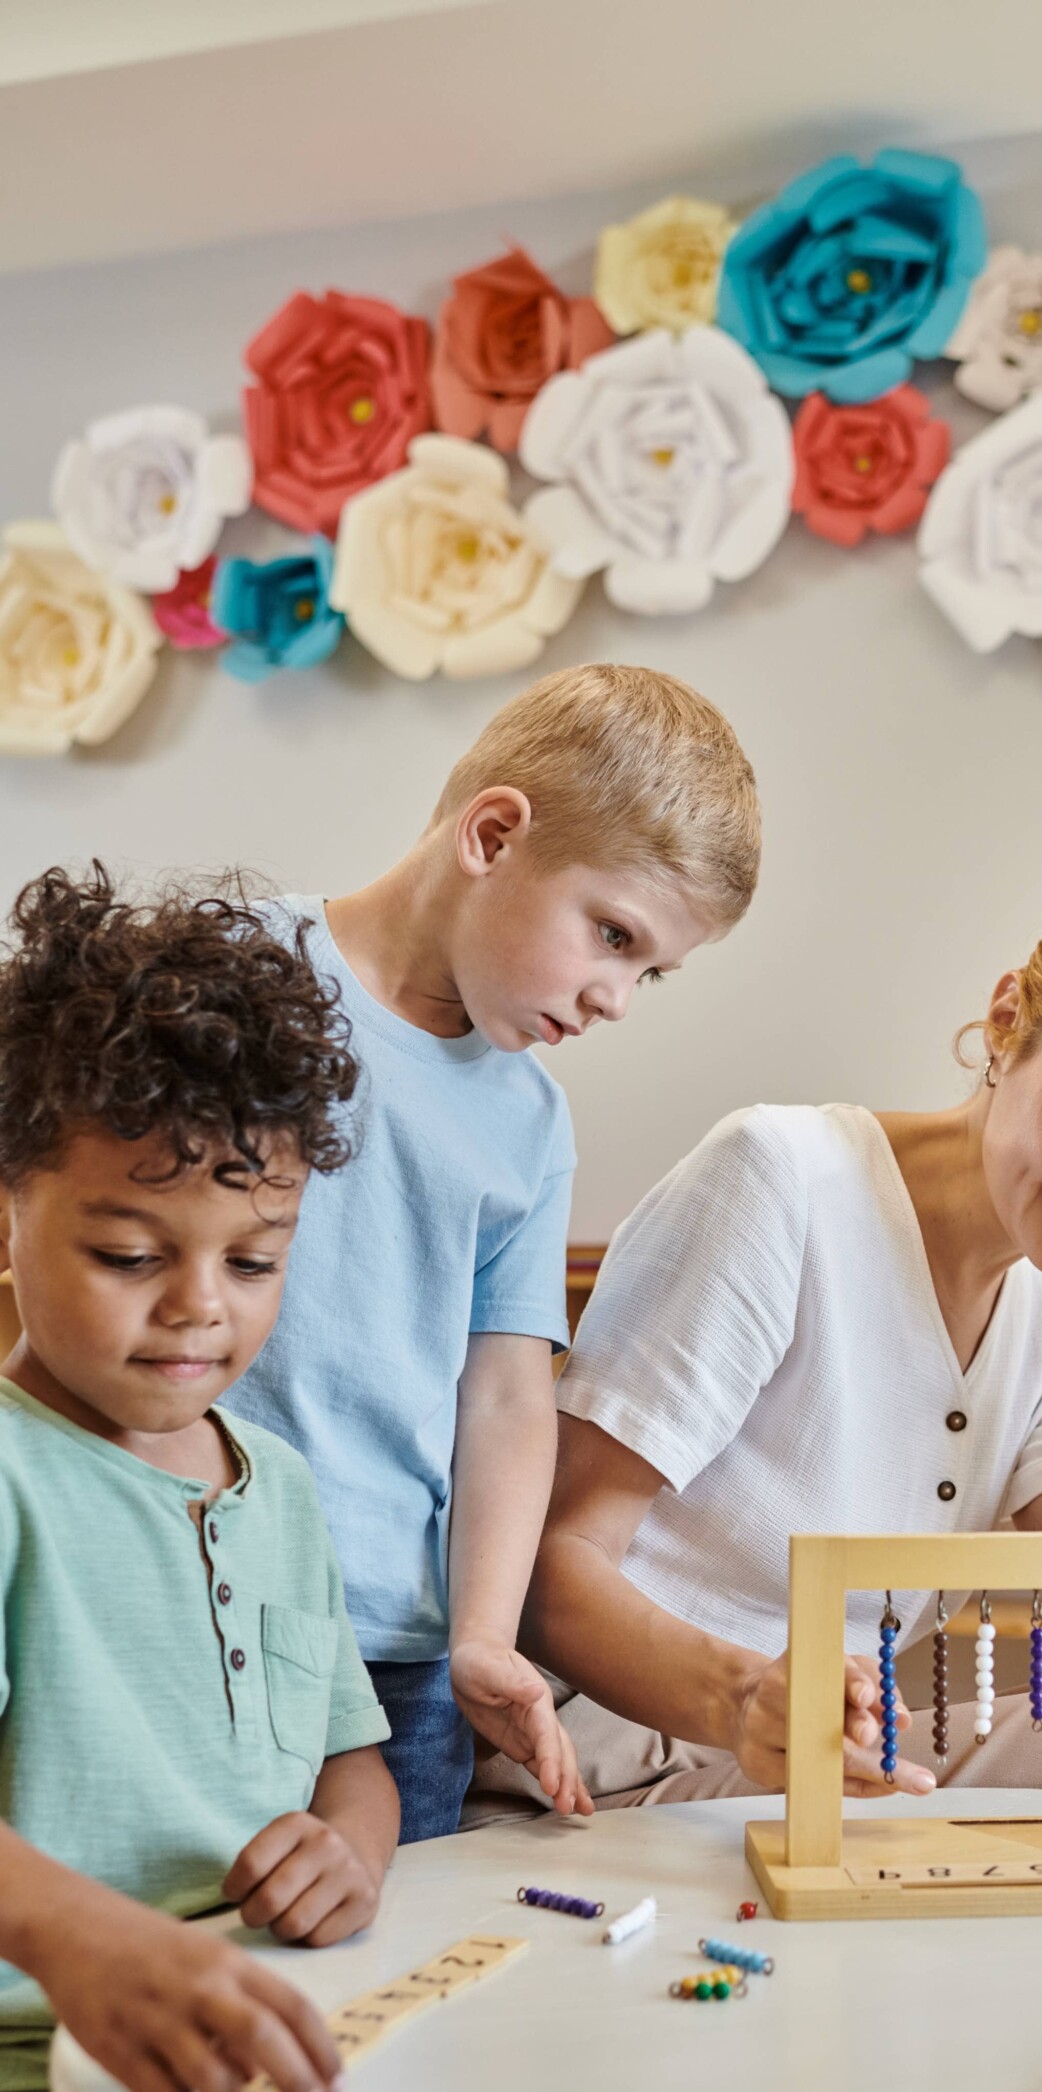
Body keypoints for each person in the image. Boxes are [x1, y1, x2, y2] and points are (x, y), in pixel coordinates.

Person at [0, 868, 637, 2092]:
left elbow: (352, 1756)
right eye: (130, 1252)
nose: (200, 1304)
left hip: (250, 2061)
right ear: (9, 1210)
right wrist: (87, 1942)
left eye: (256, 1257)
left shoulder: (272, 1483)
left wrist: (350, 1854)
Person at [520, 844, 1042, 1807]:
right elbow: (551, 1568)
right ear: (1010, 1019)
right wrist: (746, 1700)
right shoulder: (781, 1179)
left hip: (845, 1751)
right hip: (636, 1756)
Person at [222, 661, 763, 1846]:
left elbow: (510, 1396)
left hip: (398, 1660)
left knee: (377, 1973)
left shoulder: (528, 1122)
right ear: (494, 834)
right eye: (611, 935)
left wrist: (480, 1630)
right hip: (183, 1602)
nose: (616, 996)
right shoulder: (231, 978)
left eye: (650, 970)